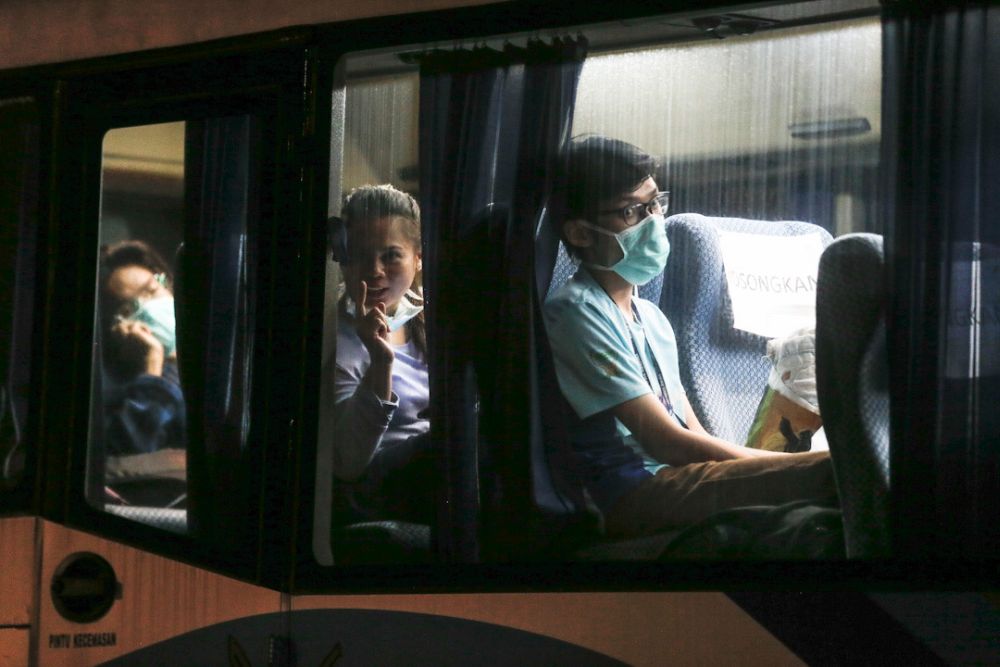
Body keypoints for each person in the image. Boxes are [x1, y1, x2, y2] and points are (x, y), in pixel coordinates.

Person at [543, 135, 837, 538]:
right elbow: (669, 443)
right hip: (631, 492)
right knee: (836, 474)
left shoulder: (652, 318)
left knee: (829, 475)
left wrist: (774, 467)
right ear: (580, 233)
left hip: (675, 476)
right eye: (631, 211)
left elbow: (693, 433)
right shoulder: (575, 312)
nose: (653, 221)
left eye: (655, 204)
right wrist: (784, 469)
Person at [330, 184, 434, 523]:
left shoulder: (429, 320)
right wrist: (380, 363)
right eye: (360, 255)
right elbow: (349, 463)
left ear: (418, 258)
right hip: (373, 487)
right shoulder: (336, 337)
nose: (375, 270)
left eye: (390, 256)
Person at [98, 240, 186, 505]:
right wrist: (153, 364)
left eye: (152, 289)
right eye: (129, 308)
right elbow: (133, 450)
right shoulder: (113, 387)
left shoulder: (217, 357)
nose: (149, 307)